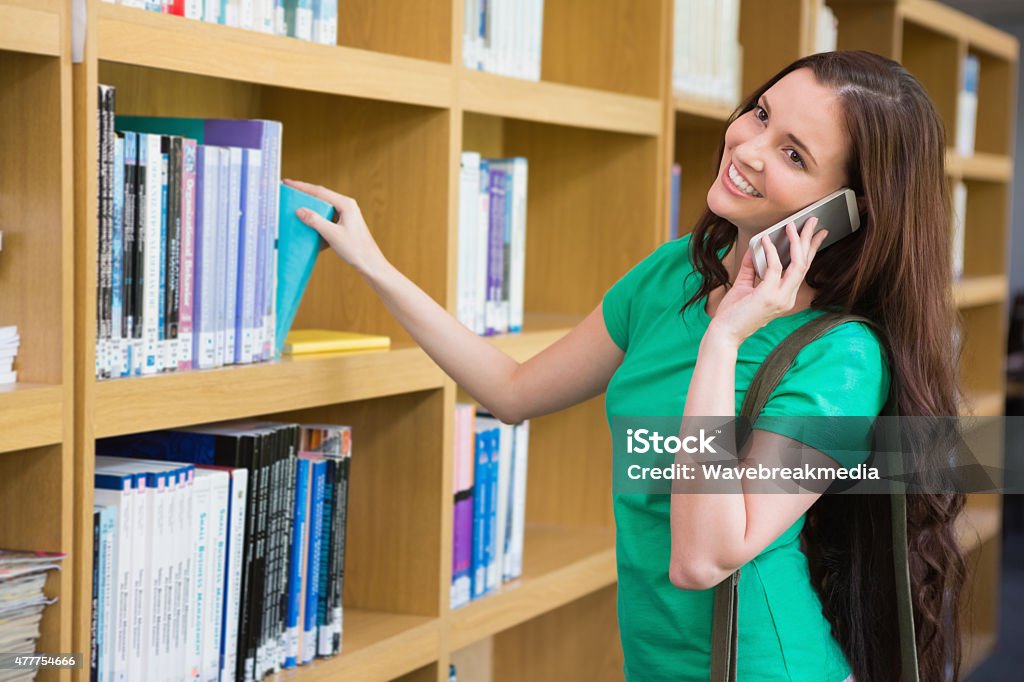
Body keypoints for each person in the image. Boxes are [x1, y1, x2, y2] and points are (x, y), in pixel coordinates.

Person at [284, 50, 967, 682]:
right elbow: (513, 390)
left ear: (847, 210)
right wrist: (374, 267)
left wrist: (724, 339)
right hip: (653, 658)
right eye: (760, 113)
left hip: (761, 664)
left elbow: (701, 560)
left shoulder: (840, 357)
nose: (748, 148)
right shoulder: (672, 275)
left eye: (792, 153)